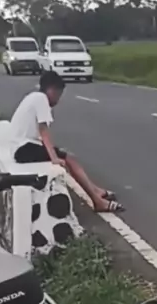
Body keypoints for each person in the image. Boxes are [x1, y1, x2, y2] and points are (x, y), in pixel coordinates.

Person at [10, 70, 124, 214]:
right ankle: (97, 201)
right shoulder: (41, 99)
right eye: (58, 95)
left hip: (22, 147)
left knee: (67, 156)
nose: (58, 100)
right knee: (67, 158)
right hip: (24, 149)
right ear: (51, 90)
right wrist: (54, 158)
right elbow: (43, 130)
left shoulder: (33, 97)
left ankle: (96, 190)